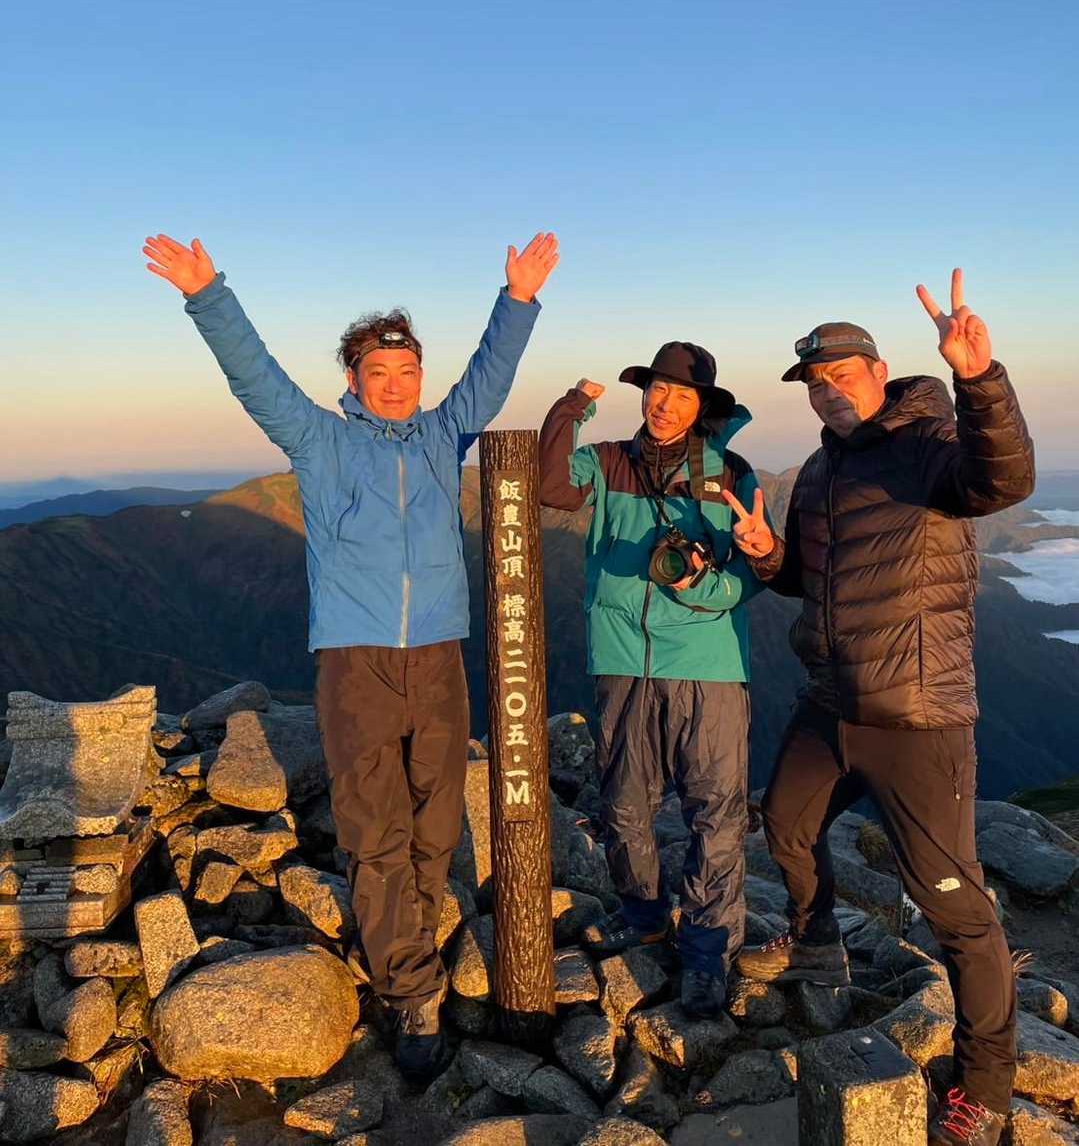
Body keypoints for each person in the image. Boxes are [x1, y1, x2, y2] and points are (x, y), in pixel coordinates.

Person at [142, 229, 559, 1081]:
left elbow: (488, 377)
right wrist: (206, 293)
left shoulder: (443, 436)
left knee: (435, 822)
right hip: (354, 660)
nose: (395, 385)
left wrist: (517, 299)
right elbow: (255, 377)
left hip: (437, 655)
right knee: (374, 827)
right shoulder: (320, 441)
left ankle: (408, 935)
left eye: (407, 371)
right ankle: (410, 990)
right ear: (354, 379)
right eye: (379, 372)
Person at [727, 271, 1034, 1146]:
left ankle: (985, 1087)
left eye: (841, 374)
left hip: (915, 715)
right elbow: (805, 579)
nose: (828, 390)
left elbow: (1002, 479)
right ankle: (815, 942)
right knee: (785, 824)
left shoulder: (928, 440)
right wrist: (765, 552)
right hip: (830, 702)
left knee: (952, 905)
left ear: (877, 370)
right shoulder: (820, 469)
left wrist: (980, 379)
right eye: (814, 382)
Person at [538, 342, 769, 1017]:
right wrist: (571, 407)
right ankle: (642, 915)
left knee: (715, 812)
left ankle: (706, 952)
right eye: (656, 390)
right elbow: (551, 487)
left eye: (681, 395)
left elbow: (754, 571)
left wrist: (702, 585)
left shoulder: (730, 474)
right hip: (622, 657)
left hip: (707, 662)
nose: (664, 404)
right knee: (623, 802)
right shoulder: (609, 460)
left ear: (702, 406)